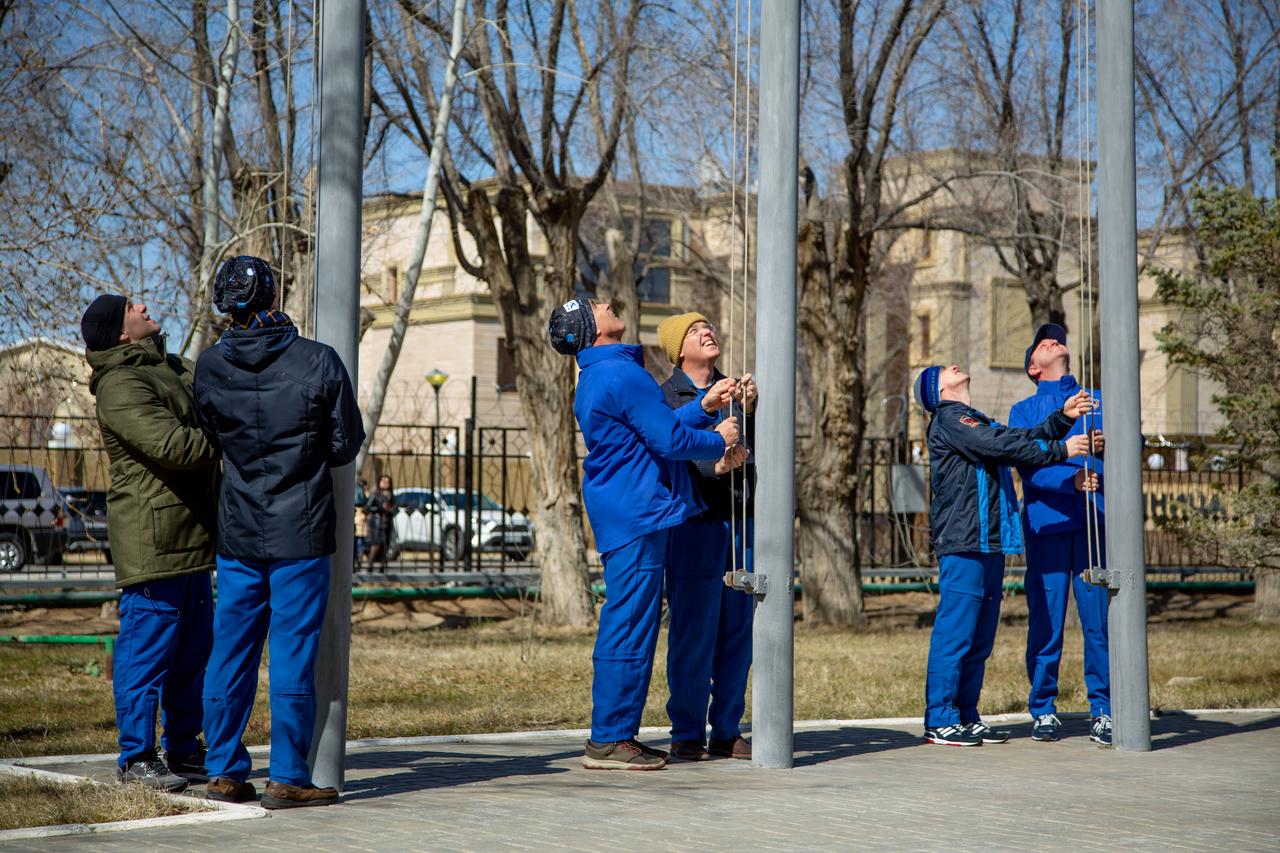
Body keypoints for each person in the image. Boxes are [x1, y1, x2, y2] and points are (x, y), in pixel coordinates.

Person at [193, 256, 364, 808]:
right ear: (271, 294)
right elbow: (344, 444)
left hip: (240, 528)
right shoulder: (317, 361)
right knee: (294, 651)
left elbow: (210, 436)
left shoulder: (210, 367)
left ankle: (222, 769)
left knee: (231, 649)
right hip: (302, 529)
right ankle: (288, 775)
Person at [548, 298, 745, 771]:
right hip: (637, 512)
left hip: (626, 510)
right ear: (591, 330)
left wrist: (703, 406)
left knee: (630, 623)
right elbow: (670, 442)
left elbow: (654, 430)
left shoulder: (602, 374)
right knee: (629, 629)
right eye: (596, 307)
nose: (607, 303)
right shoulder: (623, 374)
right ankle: (611, 738)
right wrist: (719, 439)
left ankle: (613, 735)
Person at [914, 363, 1100, 747]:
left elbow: (1021, 438)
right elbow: (1002, 447)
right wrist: (1062, 449)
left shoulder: (974, 420)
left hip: (989, 541)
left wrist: (1061, 420)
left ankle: (966, 715)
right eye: (940, 369)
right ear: (937, 390)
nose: (952, 365)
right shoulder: (951, 419)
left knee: (980, 637)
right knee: (957, 632)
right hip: (964, 542)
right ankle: (940, 718)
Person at [82, 293, 219, 792]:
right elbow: (173, 445)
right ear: (121, 332)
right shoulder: (120, 384)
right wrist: (234, 440)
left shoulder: (170, 365)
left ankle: (184, 747)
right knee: (147, 655)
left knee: (192, 653)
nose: (144, 307)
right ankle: (138, 758)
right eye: (133, 307)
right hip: (153, 540)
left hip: (191, 538)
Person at [655, 312, 757, 761]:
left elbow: (761, 449)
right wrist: (712, 457)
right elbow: (667, 452)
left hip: (739, 524)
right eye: (695, 331)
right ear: (679, 349)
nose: (707, 331)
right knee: (693, 633)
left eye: (709, 326)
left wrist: (753, 410)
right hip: (694, 527)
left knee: (737, 633)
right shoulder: (665, 397)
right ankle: (687, 731)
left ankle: (727, 729)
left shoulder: (736, 393)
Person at [1010, 323, 1112, 746]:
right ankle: (1043, 708)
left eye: (1055, 336)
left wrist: (1111, 444)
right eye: (1042, 341)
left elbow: (1135, 442)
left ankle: (1104, 710)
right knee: (1047, 621)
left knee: (1099, 623)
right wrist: (1069, 482)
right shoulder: (1024, 411)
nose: (1052, 339)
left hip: (1094, 524)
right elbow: (1026, 462)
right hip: (1048, 526)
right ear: (1034, 367)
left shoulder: (1100, 400)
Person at [364, 475, 396, 571]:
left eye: (387, 481)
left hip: (387, 523)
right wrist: (379, 509)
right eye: (383, 481)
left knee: (385, 545)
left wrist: (390, 509)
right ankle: (369, 567)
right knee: (376, 545)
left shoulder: (391, 495)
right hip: (377, 523)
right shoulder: (375, 494)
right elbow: (367, 508)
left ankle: (382, 568)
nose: (385, 483)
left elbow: (395, 508)